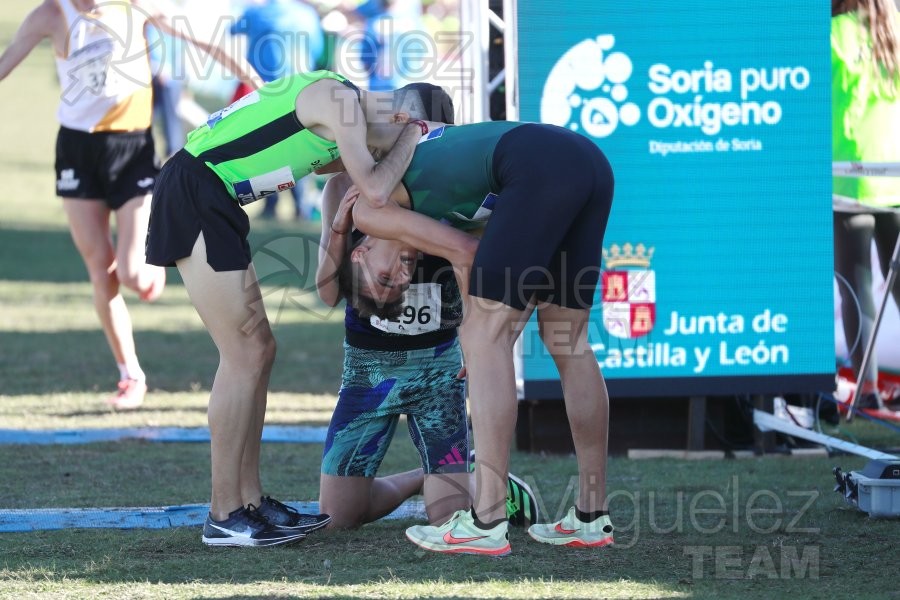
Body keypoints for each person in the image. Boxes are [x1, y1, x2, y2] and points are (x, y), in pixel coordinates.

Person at [145, 70, 444, 547]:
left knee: (259, 350)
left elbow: (335, 170)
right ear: (406, 118)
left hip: (214, 198)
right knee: (244, 353)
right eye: (404, 143)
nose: (399, 158)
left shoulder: (346, 120)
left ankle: (250, 501)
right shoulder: (341, 100)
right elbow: (374, 186)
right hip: (195, 190)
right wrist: (412, 136)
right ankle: (224, 513)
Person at [341, 119, 615, 556]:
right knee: (567, 340)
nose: (405, 271)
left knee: (485, 336)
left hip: (539, 163)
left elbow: (467, 253)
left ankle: (487, 519)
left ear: (362, 250)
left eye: (387, 276)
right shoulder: (426, 173)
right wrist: (493, 330)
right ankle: (590, 516)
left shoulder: (369, 208)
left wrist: (483, 335)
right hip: (585, 160)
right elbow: (498, 248)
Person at [0, 0, 261, 410]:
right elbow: (8, 60)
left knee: (133, 274)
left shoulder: (134, 7)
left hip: (131, 148)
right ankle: (130, 374)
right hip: (77, 149)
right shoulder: (51, 14)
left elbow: (201, 40)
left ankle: (150, 270)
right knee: (101, 272)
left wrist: (254, 81)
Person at [315, 169, 540, 529]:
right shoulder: (343, 188)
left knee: (447, 518)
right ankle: (427, 476)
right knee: (336, 519)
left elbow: (509, 275)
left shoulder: (448, 185)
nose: (404, 277)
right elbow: (327, 293)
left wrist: (490, 343)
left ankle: (476, 483)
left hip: (438, 370)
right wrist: (340, 231)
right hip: (367, 372)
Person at [832, 0, 900, 409]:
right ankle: (870, 393)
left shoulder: (834, 33)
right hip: (894, 174)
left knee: (857, 290)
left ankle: (869, 393)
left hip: (849, 178)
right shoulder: (897, 27)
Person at [230, 0, 325, 220]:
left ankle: (270, 204)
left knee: (265, 150)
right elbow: (318, 51)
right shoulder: (307, 15)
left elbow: (233, 29)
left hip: (264, 93)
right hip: (300, 91)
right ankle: (301, 206)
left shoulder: (258, 12)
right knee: (298, 149)